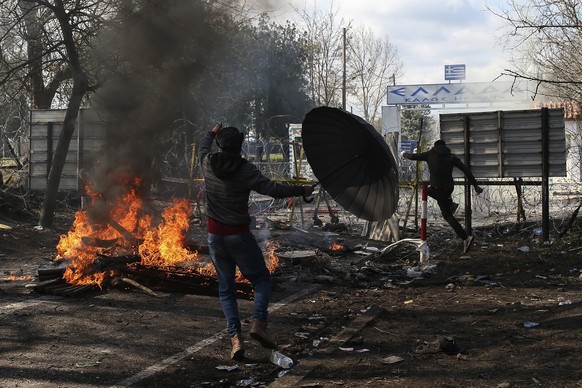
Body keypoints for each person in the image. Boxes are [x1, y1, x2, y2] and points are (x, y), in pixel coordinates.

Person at [200, 122, 314, 360]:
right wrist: (301, 191)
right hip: (238, 235)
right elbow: (273, 189)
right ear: (241, 146)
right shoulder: (246, 169)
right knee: (261, 279)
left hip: (215, 236)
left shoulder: (208, 163)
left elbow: (202, 147)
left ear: (220, 145)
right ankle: (259, 323)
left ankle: (236, 339)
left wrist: (211, 132)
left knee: (226, 289)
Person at [403, 139, 483, 254]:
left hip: (437, 189)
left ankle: (466, 237)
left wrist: (403, 154)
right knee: (433, 196)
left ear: (435, 147)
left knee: (446, 214)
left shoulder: (430, 154)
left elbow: (412, 157)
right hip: (449, 188)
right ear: (445, 147)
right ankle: (451, 205)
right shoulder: (451, 156)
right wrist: (475, 185)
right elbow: (466, 170)